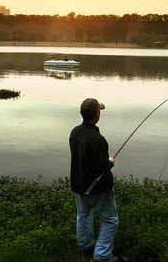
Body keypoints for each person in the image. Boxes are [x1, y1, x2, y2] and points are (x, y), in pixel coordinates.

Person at [69, 98, 118, 262]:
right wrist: (109, 163)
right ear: (96, 114)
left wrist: (104, 162)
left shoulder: (74, 132)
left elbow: (84, 158)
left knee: (83, 215)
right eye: (99, 111)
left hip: (78, 185)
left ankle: (84, 247)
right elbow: (101, 167)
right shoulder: (98, 139)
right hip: (97, 188)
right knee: (110, 220)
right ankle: (102, 256)